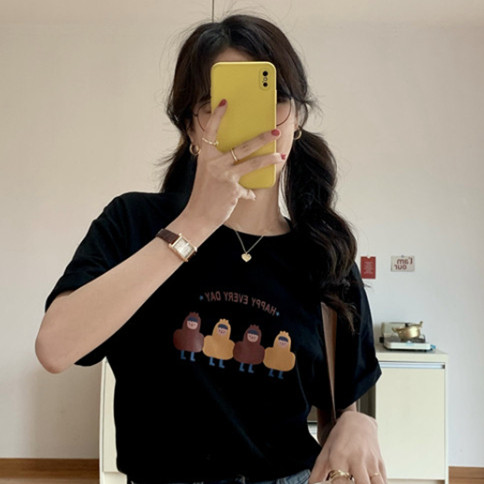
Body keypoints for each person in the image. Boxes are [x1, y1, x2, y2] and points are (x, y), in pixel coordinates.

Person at [36, 14, 386, 484]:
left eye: (272, 100)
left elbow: (340, 411)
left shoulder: (326, 258)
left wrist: (360, 423)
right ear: (190, 128)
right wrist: (195, 223)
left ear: (297, 120)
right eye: (215, 104)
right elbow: (55, 348)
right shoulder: (134, 223)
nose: (250, 124)